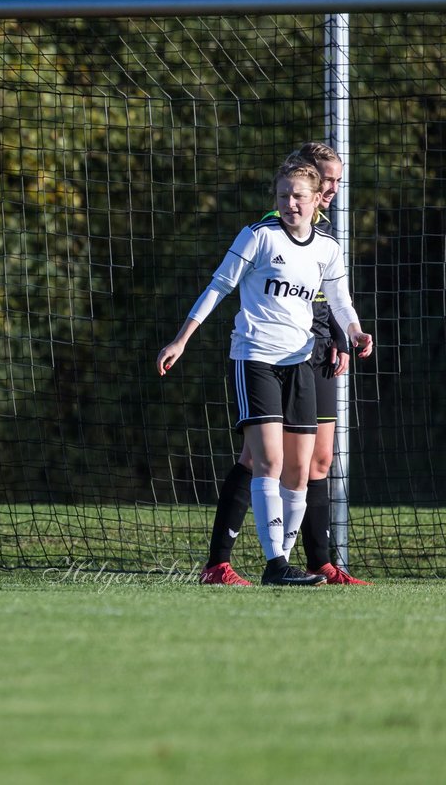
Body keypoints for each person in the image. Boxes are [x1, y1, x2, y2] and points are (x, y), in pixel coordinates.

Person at [157, 159, 374, 586]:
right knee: (268, 460)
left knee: (299, 470)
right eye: (283, 196)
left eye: (298, 196)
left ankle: (285, 562)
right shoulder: (258, 236)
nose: (290, 203)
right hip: (255, 358)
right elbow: (219, 286)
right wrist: (181, 339)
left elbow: (340, 299)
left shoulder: (326, 248)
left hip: (300, 363)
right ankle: (275, 566)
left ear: (316, 201)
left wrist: (355, 331)